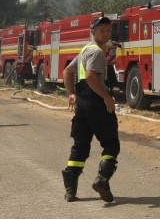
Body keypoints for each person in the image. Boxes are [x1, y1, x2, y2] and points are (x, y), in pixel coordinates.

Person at [61, 16, 120, 203]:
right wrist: (106, 97)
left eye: (109, 30)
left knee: (80, 146)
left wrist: (71, 94)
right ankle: (102, 180)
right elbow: (90, 77)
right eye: (102, 30)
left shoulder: (85, 50)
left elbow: (67, 72)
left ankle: (70, 191)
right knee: (111, 144)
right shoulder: (96, 53)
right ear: (93, 32)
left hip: (82, 105)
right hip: (96, 103)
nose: (107, 33)